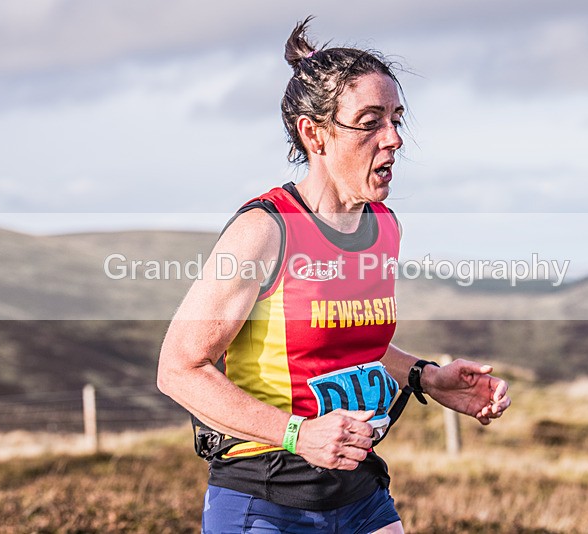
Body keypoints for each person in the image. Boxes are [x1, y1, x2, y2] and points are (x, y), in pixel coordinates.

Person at [157, 17, 511, 534]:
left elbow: (349, 347)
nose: (394, 138)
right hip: (265, 496)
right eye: (370, 121)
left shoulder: (383, 227)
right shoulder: (265, 230)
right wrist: (298, 434)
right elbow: (179, 370)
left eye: (396, 118)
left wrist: (427, 377)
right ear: (315, 134)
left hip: (359, 492)